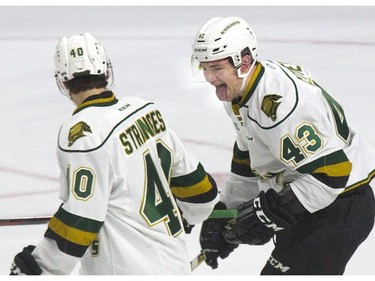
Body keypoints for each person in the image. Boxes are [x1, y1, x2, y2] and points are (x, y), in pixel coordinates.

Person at [10, 32, 219, 275]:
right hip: (175, 263)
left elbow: (82, 218)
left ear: (63, 82)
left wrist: (38, 267)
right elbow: (201, 193)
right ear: (106, 71)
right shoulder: (145, 111)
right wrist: (182, 218)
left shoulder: (83, 134)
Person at [191, 16, 375, 274]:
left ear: (243, 62)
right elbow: (248, 151)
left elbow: (332, 174)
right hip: (309, 204)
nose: (209, 78)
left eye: (217, 68)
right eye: (204, 68)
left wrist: (268, 214)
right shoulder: (241, 90)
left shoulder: (281, 104)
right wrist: (227, 210)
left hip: (339, 207)